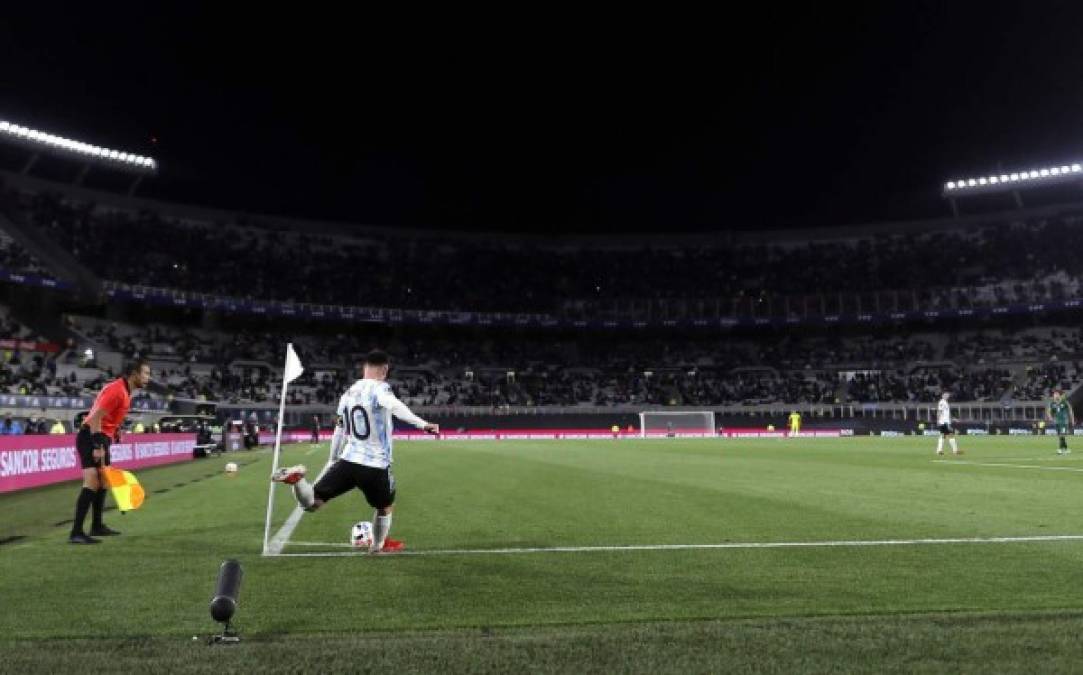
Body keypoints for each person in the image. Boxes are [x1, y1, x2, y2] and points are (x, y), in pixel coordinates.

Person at [272, 350, 439, 553]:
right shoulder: (380, 389)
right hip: (375, 464)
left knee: (312, 503)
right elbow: (395, 405)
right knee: (384, 508)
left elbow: (340, 427)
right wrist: (423, 424)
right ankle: (377, 547)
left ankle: (298, 481)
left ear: (364, 368)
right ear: (385, 370)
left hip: (348, 460)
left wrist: (333, 458)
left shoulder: (349, 392)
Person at [69, 359, 152, 544]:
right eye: (146, 373)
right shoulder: (117, 390)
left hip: (101, 437)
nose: (148, 377)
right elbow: (97, 416)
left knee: (103, 481)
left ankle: (96, 526)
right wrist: (98, 446)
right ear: (134, 374)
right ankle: (76, 532)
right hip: (91, 437)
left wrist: (115, 430)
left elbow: (108, 416)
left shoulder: (125, 391)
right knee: (92, 481)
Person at [1047, 389, 1076, 455]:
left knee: (1062, 435)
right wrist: (1051, 418)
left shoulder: (1065, 402)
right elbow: (1049, 412)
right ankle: (1066, 449)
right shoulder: (1052, 403)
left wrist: (1072, 420)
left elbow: (1070, 411)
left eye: (1056, 394)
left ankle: (1060, 449)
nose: (1055, 395)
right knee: (1060, 436)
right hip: (1057, 422)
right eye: (1054, 394)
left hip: (1064, 422)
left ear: (1059, 395)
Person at [936, 391, 961, 456]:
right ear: (943, 395)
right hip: (944, 422)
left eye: (948, 395)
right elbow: (939, 411)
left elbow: (947, 414)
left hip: (945, 421)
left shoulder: (946, 402)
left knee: (943, 436)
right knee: (950, 435)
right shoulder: (942, 402)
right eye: (946, 395)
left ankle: (939, 451)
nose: (947, 396)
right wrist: (938, 420)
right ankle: (955, 451)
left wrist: (953, 419)